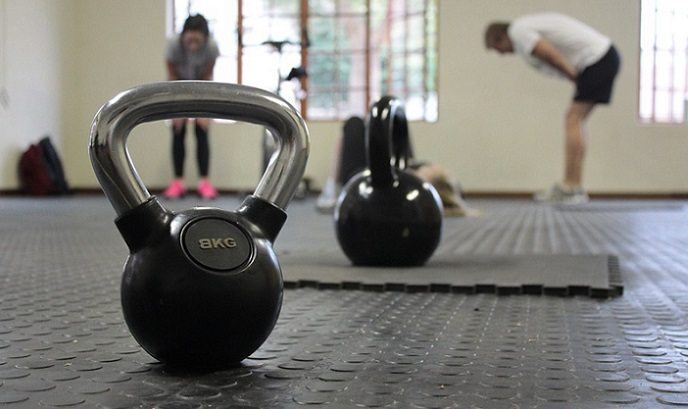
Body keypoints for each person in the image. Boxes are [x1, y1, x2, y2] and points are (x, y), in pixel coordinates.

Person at [485, 13, 620, 204]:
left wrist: (572, 75)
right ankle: (573, 186)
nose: (500, 54)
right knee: (576, 120)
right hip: (602, 57)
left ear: (500, 36)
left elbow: (548, 53)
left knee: (573, 119)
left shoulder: (517, 31)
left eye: (496, 48)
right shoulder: (523, 30)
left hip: (597, 58)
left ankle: (571, 187)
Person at [316, 117, 480, 217]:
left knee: (353, 123)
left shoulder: (416, 187)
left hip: (363, 181)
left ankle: (333, 189)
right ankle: (332, 188)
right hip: (384, 168)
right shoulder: (424, 175)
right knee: (393, 121)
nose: (433, 166)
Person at [163, 14, 220, 199]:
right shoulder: (173, 46)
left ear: (205, 37)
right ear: (183, 35)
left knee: (201, 129)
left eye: (198, 38)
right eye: (190, 36)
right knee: (177, 130)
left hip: (201, 86)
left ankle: (204, 182)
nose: (193, 41)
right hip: (177, 86)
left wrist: (204, 112)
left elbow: (207, 76)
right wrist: (176, 109)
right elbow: (172, 76)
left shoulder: (211, 47)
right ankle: (178, 182)